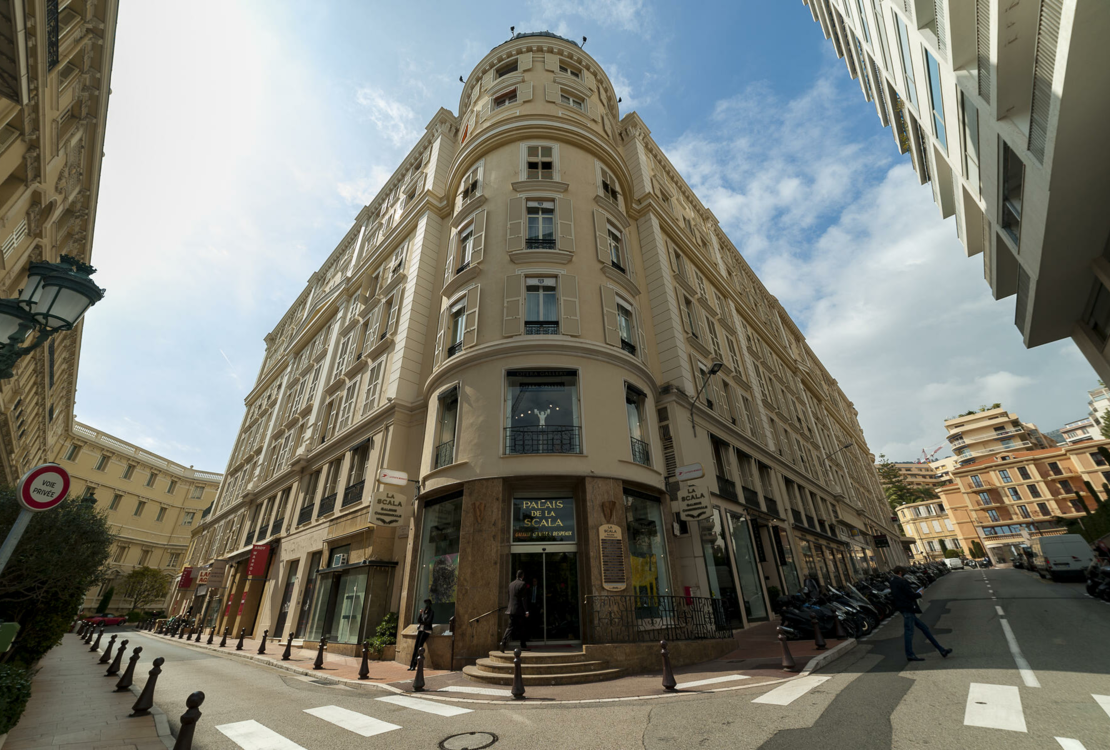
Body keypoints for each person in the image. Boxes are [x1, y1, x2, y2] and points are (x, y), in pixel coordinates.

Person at [890, 565, 951, 662]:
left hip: (902, 608)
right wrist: (920, 594)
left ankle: (941, 649)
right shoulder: (902, 581)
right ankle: (910, 654)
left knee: (924, 628)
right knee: (909, 632)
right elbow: (910, 595)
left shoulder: (892, 581)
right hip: (908, 608)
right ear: (900, 572)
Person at [501, 570, 529, 651]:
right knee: (522, 627)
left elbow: (509, 598)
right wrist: (526, 611)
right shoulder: (522, 584)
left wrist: (509, 608)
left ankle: (503, 642)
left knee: (510, 627)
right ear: (522, 576)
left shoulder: (511, 584)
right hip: (519, 610)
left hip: (511, 610)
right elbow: (524, 598)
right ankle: (523, 644)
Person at [408, 599, 434, 670]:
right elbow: (419, 620)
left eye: (427, 603)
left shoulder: (431, 612)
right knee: (416, 647)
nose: (426, 605)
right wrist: (420, 614)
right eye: (425, 603)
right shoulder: (423, 612)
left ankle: (414, 665)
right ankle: (411, 665)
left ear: (430, 604)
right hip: (420, 630)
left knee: (420, 646)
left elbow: (428, 622)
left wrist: (422, 622)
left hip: (426, 631)